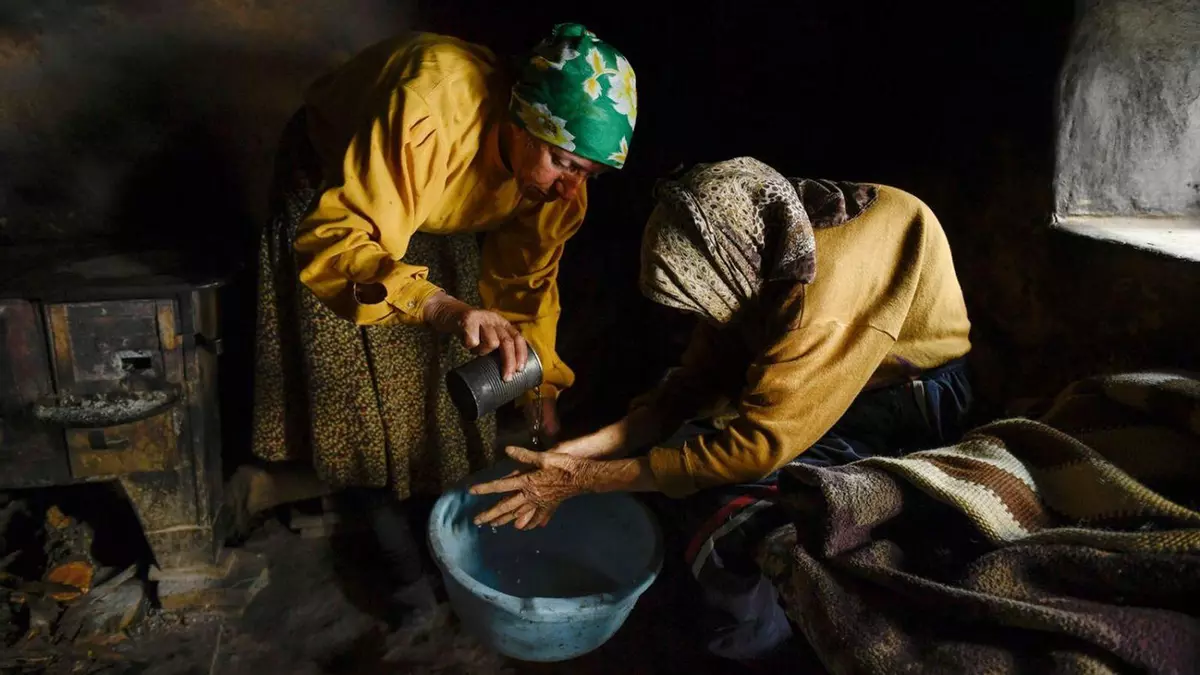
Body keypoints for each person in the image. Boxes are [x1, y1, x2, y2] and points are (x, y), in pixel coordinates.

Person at [472, 157, 973, 661]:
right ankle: (702, 592)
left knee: (725, 509)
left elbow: (756, 450)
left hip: (903, 394)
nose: (701, 320)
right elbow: (693, 383)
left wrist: (585, 480)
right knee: (680, 453)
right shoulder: (757, 240)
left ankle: (760, 647)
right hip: (827, 364)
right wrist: (580, 452)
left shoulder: (816, 309)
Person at [249, 23, 637, 621]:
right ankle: (396, 559)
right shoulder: (429, 105)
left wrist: (542, 392)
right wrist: (437, 304)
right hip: (342, 201)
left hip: (444, 201)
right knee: (357, 392)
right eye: (562, 163)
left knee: (454, 367)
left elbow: (526, 285)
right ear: (519, 120)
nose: (570, 189)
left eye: (589, 173)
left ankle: (439, 529)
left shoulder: (556, 185)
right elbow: (338, 240)